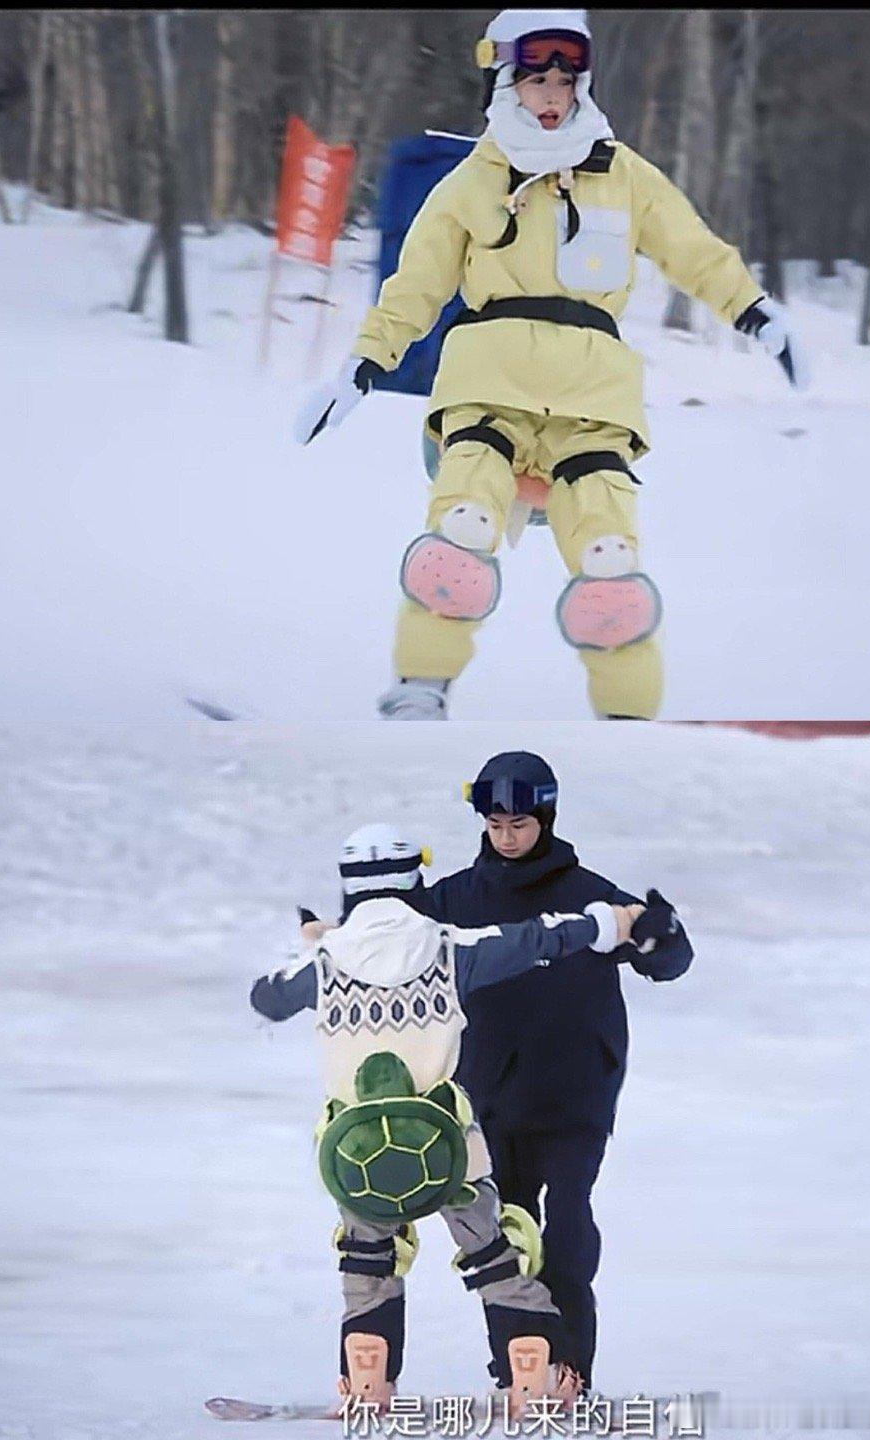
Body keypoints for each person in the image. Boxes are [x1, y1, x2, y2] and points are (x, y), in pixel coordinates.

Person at [296, 8, 809, 721]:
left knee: (610, 568)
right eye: (536, 78)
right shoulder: (473, 183)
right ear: (505, 84)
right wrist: (361, 367)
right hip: (488, 392)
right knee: (462, 536)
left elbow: (692, 248)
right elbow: (414, 289)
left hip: (592, 401)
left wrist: (754, 311)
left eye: (565, 80)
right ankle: (421, 688)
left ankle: (628, 717)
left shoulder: (619, 174)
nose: (552, 93)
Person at [249, 821, 644, 1414]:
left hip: (355, 1152)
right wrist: (606, 923)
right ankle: (529, 1375)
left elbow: (267, 996)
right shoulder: (445, 946)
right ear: (414, 881)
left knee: (368, 1261)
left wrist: (315, 944)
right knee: (493, 1255)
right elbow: (535, 939)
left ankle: (368, 1382)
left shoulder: (326, 961)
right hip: (449, 1147)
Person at [418, 753, 695, 1391]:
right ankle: (520, 1368)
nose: (507, 836)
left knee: (568, 1225)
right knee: (503, 1235)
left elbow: (668, 961)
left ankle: (570, 1366)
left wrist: (663, 934)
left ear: (545, 816)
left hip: (577, 1091)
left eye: (519, 823)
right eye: (494, 825)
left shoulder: (591, 895)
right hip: (490, 1095)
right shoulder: (454, 898)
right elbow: (390, 945)